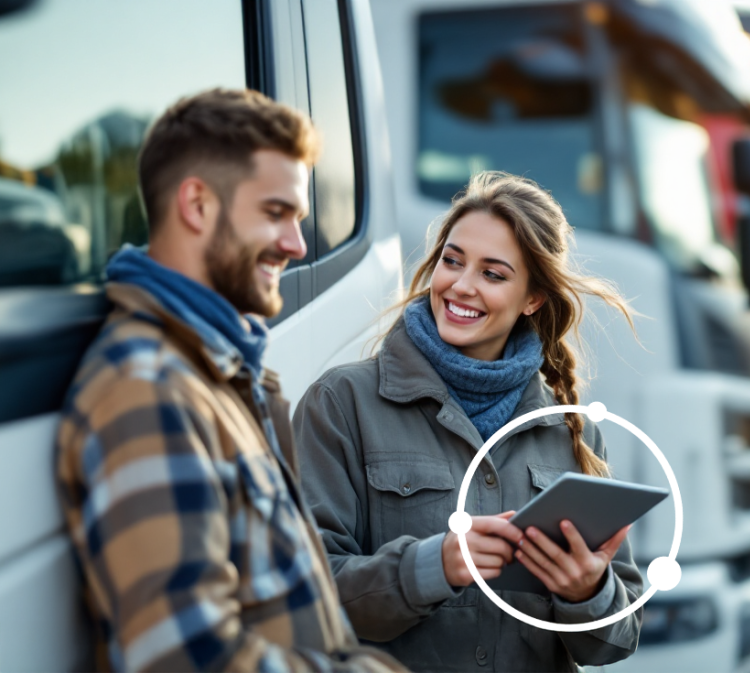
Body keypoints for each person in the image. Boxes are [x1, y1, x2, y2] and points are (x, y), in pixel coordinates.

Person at [56, 89, 408, 673]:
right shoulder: (147, 390)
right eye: (276, 213)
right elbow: (185, 658)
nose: (297, 245)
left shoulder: (213, 374)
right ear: (197, 204)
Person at [293, 171, 643, 672]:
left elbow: (616, 642)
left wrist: (588, 591)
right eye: (451, 261)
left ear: (533, 299)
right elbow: (303, 598)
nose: (461, 285)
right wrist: (434, 567)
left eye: (493, 274)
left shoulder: (574, 432)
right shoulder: (341, 403)